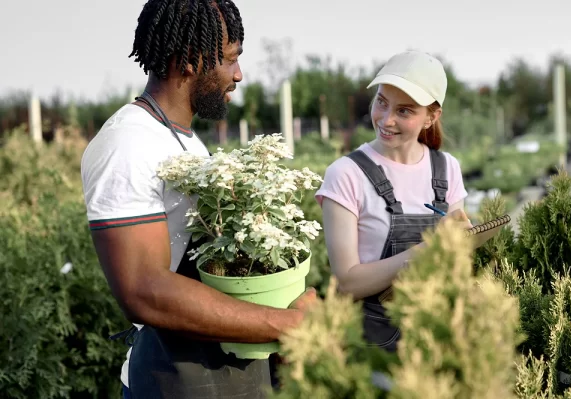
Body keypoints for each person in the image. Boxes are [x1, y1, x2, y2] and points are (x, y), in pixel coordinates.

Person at [80, 1, 316, 398]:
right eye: (229, 60)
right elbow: (143, 289)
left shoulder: (191, 147)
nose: (238, 74)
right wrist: (285, 324)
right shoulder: (127, 143)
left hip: (227, 377)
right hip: (172, 382)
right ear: (189, 60)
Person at [315, 50, 472, 353]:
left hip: (437, 335)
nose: (386, 120)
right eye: (382, 102)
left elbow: (455, 259)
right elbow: (347, 282)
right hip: (373, 347)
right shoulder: (346, 174)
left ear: (431, 117)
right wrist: (425, 251)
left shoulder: (446, 168)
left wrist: (465, 239)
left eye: (404, 111)